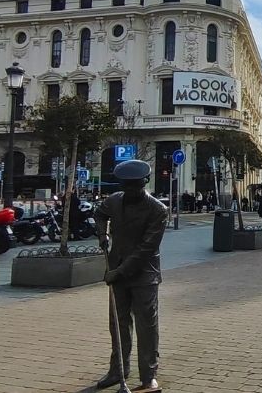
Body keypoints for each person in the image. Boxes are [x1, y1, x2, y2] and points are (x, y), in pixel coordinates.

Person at [94, 160, 168, 392]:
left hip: (144, 275)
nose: (131, 191)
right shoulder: (114, 200)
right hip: (117, 272)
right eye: (127, 186)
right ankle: (118, 370)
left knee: (147, 326)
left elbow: (146, 249)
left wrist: (119, 272)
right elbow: (99, 214)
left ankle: (148, 375)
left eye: (135, 186)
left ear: (144, 183)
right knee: (118, 323)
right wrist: (103, 235)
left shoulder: (158, 210)